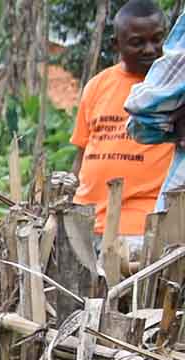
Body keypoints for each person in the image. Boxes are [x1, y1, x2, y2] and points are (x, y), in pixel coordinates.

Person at [72, 0, 171, 256]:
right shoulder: (96, 86)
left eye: (157, 39)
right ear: (116, 44)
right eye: (138, 42)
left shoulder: (174, 89)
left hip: (144, 227)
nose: (150, 49)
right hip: (87, 223)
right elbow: (82, 155)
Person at [127, 1, 185, 234]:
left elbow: (142, 116)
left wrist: (176, 118)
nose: (150, 50)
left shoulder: (153, 96)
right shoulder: (98, 86)